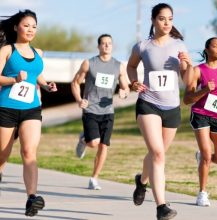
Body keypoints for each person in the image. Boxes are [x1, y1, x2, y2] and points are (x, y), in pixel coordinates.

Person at [127, 3, 192, 220]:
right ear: (153, 20)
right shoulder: (143, 46)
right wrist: (134, 82)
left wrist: (188, 65)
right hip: (148, 103)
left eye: (170, 19)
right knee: (158, 154)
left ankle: (142, 181)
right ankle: (161, 206)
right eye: (162, 18)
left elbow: (187, 79)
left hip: (171, 107)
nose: (167, 23)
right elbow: (130, 67)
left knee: (158, 153)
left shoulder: (179, 45)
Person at [0, 9, 57, 216]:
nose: (31, 29)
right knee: (2, 154)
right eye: (26, 25)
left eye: (34, 26)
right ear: (16, 27)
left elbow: (37, 75)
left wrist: (47, 85)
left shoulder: (38, 52)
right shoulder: (7, 50)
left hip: (31, 108)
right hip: (6, 107)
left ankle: (32, 198)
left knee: (29, 152)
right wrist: (14, 79)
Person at [71, 34, 130, 190]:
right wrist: (79, 100)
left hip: (108, 111)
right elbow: (75, 83)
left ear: (112, 46)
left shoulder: (119, 66)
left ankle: (94, 178)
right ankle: (84, 140)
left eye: (109, 43)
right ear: (98, 46)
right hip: (90, 109)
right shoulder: (89, 63)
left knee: (104, 145)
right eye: (103, 43)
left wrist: (124, 92)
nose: (106, 46)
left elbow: (125, 86)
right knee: (94, 143)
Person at [183, 37, 217, 207]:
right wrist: (205, 89)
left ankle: (202, 158)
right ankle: (202, 193)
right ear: (207, 50)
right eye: (215, 46)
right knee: (207, 154)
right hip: (200, 114)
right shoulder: (197, 71)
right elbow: (186, 99)